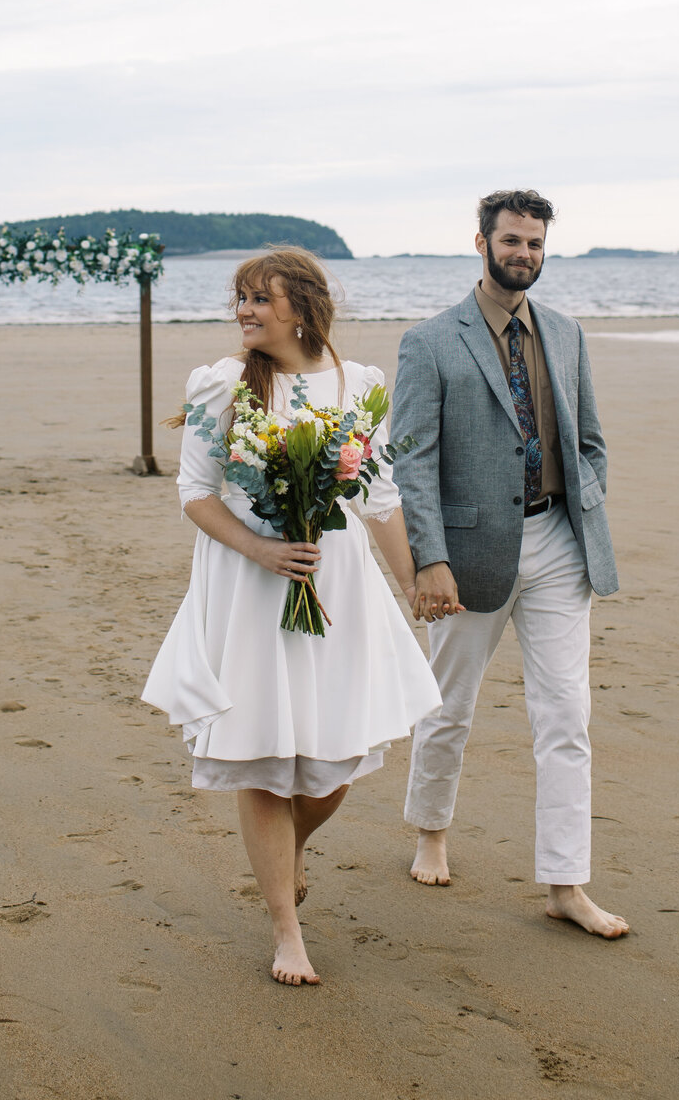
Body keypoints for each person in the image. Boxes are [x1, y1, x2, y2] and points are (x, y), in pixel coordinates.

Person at [142, 246, 440, 986]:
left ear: (302, 308)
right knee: (266, 762)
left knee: (334, 762)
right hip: (250, 589)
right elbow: (194, 492)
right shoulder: (221, 387)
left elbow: (378, 498)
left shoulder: (355, 384)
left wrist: (414, 585)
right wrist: (261, 549)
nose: (244, 311)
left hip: (335, 587)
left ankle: (291, 852)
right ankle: (286, 930)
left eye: (259, 299)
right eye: (239, 298)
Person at [393, 190, 629, 938]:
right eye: (512, 240)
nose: (524, 253)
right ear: (481, 242)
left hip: (561, 541)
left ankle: (566, 883)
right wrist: (429, 558)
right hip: (469, 555)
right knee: (448, 706)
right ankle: (431, 829)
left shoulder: (565, 332)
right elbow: (412, 463)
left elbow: (589, 437)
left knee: (566, 716)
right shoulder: (430, 342)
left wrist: (584, 499)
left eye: (535, 242)